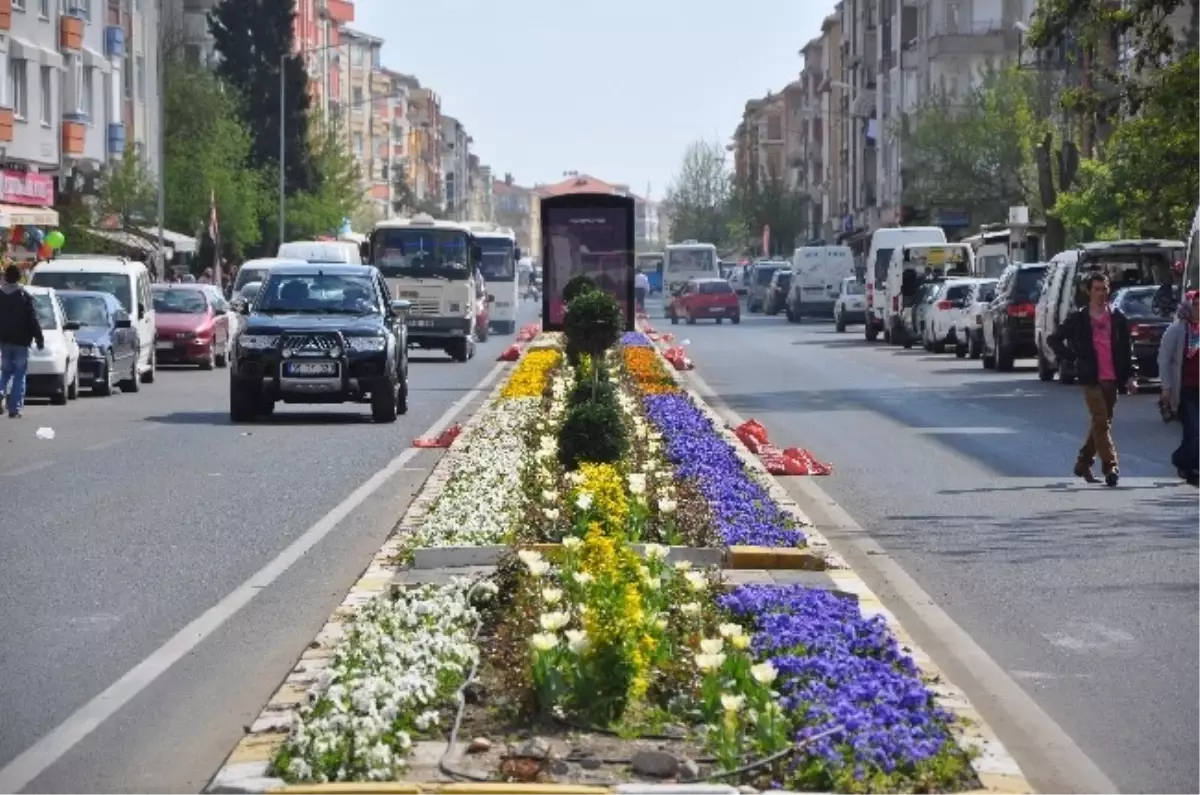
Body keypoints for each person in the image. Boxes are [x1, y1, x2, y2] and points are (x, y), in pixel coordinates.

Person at [1048, 272, 1135, 486]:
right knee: (1102, 424)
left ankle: (1083, 463)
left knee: (1099, 425)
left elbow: (1127, 349)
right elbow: (1054, 339)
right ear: (1089, 291)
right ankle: (1111, 467)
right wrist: (1071, 357)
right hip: (1091, 379)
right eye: (1096, 289)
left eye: (1104, 288)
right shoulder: (1078, 318)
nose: (1101, 293)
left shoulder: (1117, 317)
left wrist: (1131, 375)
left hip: (1112, 379)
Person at [1158, 290, 1200, 481]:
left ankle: (1185, 462)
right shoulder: (1177, 330)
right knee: (1194, 428)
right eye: (1197, 304)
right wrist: (1166, 388)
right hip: (1186, 389)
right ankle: (1187, 463)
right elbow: (1164, 359)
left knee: (1194, 432)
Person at [0, 264, 45, 418]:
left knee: (5, 371)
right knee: (19, 375)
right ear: (19, 277)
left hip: (4, 340)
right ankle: (15, 408)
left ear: (5, 276)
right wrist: (39, 338)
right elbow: (33, 319)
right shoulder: (24, 295)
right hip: (21, 341)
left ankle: (0, 391)